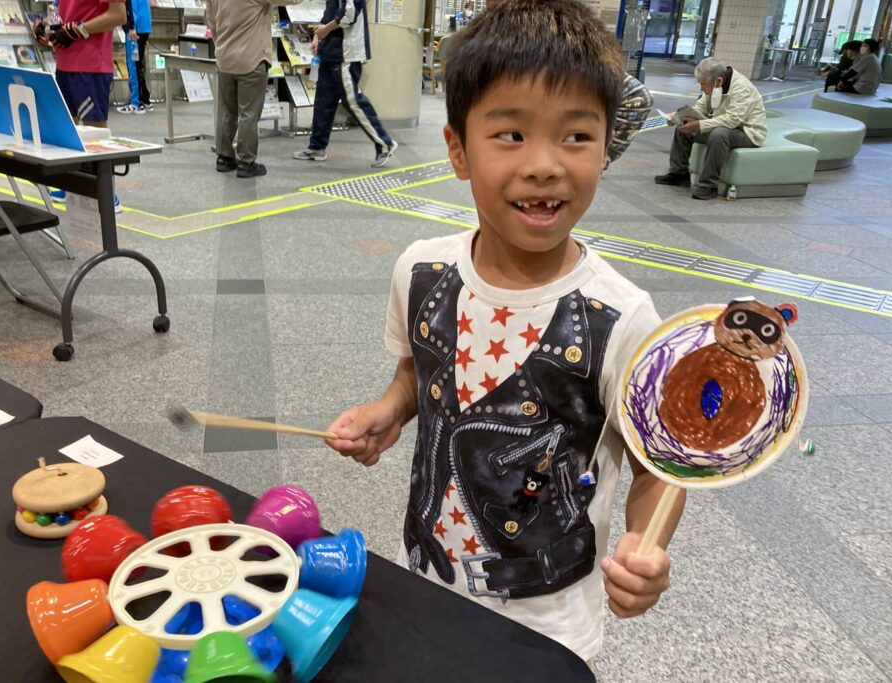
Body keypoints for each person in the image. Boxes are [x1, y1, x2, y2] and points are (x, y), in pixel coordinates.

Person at [324, 0, 682, 662]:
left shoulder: (622, 316)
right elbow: (416, 372)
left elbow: (659, 466)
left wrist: (648, 542)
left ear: (607, 148)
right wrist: (388, 409)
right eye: (511, 135)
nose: (545, 164)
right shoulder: (421, 271)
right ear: (458, 151)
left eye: (575, 136)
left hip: (548, 623)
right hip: (428, 578)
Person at [34, 0, 127, 212]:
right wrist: (47, 30)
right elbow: (65, 15)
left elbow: (118, 15)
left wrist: (79, 30)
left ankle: (103, 190)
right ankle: (69, 183)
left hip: (91, 65)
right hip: (64, 63)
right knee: (68, 128)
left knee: (94, 134)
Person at [292, 1, 398, 168]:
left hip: (345, 55)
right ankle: (317, 147)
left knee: (354, 102)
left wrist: (325, 30)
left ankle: (385, 144)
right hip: (331, 52)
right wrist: (318, 36)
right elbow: (331, 11)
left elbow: (351, 13)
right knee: (323, 101)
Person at [206, 0, 302, 178]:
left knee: (226, 111)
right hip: (252, 58)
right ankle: (246, 162)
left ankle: (224, 157)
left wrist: (222, 45)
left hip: (225, 59)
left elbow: (211, 22)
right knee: (249, 114)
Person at [654, 57, 766, 201]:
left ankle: (709, 185)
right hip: (724, 125)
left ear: (718, 81)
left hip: (748, 132)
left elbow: (732, 120)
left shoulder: (742, 88)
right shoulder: (714, 85)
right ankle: (679, 174)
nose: (701, 88)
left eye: (703, 84)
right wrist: (679, 117)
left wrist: (699, 124)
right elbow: (700, 107)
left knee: (719, 134)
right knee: (684, 127)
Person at [116, 0, 152, 114]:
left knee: (133, 65)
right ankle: (145, 100)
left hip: (135, 30)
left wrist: (131, 27)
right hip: (144, 28)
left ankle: (136, 103)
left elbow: (130, 7)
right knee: (139, 65)